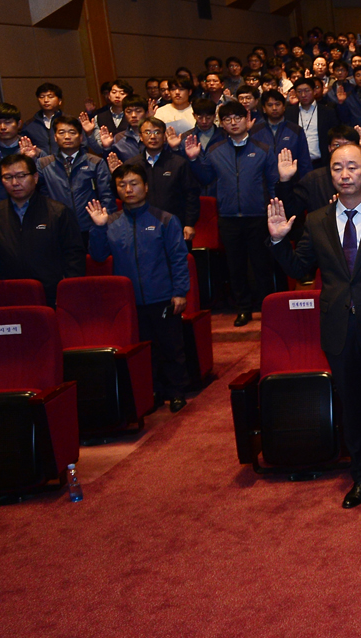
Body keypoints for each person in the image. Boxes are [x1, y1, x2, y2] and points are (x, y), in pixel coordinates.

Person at [268, 143, 361, 509]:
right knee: (350, 407)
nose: (345, 174)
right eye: (338, 168)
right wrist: (277, 240)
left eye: (353, 167)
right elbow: (300, 269)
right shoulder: (317, 220)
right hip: (337, 326)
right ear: (330, 174)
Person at [86, 163, 191, 413]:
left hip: (163, 296)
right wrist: (98, 227)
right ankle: (152, 393)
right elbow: (98, 256)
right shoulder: (111, 222)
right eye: (122, 185)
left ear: (145, 186)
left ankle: (177, 392)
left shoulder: (165, 219)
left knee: (171, 347)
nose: (128, 189)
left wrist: (180, 292)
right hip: (129, 301)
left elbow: (178, 258)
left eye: (133, 183)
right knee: (143, 351)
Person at [185, 101, 279, 326]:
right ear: (222, 124)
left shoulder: (263, 149)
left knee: (260, 265)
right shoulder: (216, 151)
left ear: (247, 119)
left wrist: (275, 212)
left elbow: (273, 183)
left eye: (237, 117)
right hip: (228, 218)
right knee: (235, 267)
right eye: (227, 119)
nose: (233, 122)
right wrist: (194, 159)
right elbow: (206, 179)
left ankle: (269, 308)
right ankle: (243, 309)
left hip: (257, 216)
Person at [0, 153, 85, 306]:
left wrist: (67, 293)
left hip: (50, 295)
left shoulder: (58, 212)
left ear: (35, 178)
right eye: (7, 177)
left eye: (21, 176)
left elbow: (74, 257)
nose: (15, 183)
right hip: (10, 294)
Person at [122, 118, 200, 242]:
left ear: (164, 137)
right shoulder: (132, 165)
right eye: (147, 133)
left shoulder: (178, 163)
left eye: (157, 132)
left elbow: (191, 195)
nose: (153, 136)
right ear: (141, 137)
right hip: (141, 225)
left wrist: (189, 223)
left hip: (174, 224)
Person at [38, 115, 116, 238]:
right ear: (55, 137)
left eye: (72, 133)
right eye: (62, 132)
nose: (67, 137)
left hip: (91, 226)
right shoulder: (44, 164)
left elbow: (107, 196)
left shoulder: (96, 163)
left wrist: (106, 223)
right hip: (58, 228)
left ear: (80, 138)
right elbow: (41, 197)